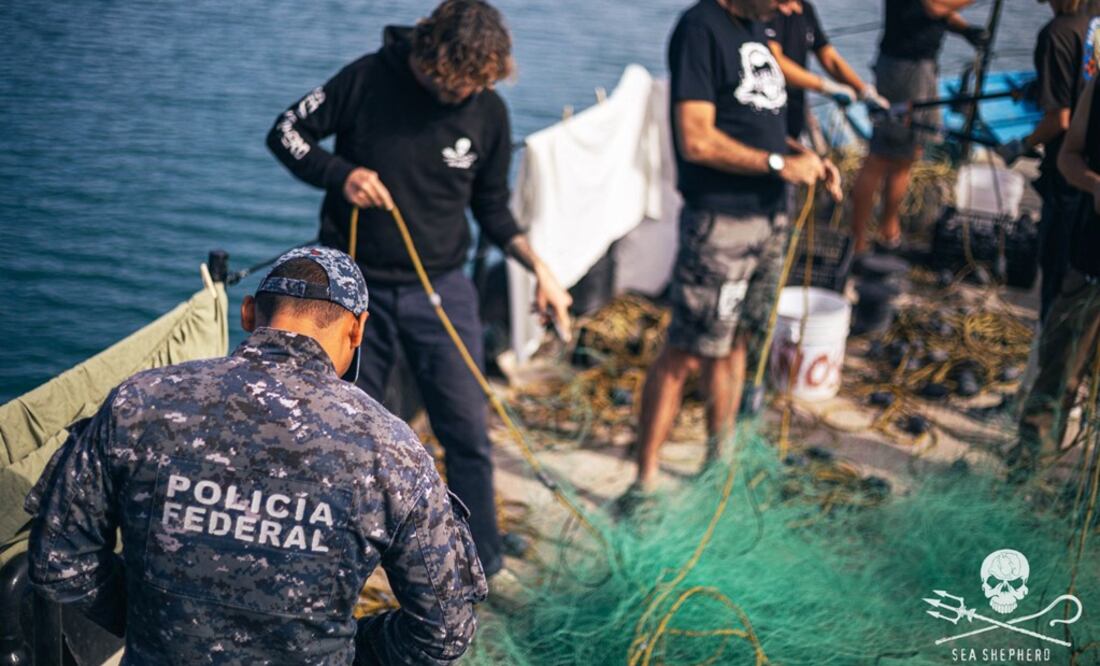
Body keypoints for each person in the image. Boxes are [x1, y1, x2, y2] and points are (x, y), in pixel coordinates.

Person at [25, 247, 487, 664]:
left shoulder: (140, 403)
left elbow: (58, 561)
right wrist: (346, 648)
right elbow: (445, 633)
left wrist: (151, 619)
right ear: (358, 328)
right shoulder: (392, 450)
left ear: (248, 312)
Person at [266, 0, 572, 592]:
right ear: (429, 59)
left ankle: (482, 562)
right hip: (355, 292)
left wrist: (541, 270)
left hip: (443, 290)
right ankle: (333, 566)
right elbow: (286, 132)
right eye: (455, 84)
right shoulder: (366, 78)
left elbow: (492, 208)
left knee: (467, 432)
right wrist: (341, 174)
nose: (464, 95)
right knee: (343, 435)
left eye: (476, 86)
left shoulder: (488, 109)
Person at [618, 0, 841, 509]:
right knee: (686, 350)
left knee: (738, 341)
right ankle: (644, 482)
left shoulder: (758, 27)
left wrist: (806, 157)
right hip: (721, 223)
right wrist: (778, 164)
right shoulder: (701, 29)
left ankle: (717, 464)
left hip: (770, 218)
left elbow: (757, 123)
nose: (790, 6)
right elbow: (696, 139)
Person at [1008, 76, 1100, 482]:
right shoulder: (1098, 87)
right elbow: (1069, 157)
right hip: (1090, 265)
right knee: (1057, 376)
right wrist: (1094, 184)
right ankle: (1028, 475)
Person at [849, 0, 989, 255]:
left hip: (918, 66)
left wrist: (965, 29)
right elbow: (934, 6)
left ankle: (888, 234)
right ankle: (858, 241)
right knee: (880, 156)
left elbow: (937, 10)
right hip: (904, 68)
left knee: (907, 155)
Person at [997, 0, 1096, 323]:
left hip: (1068, 180)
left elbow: (1059, 119)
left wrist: (1022, 145)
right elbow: (1081, 85)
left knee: (1057, 276)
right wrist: (1038, 88)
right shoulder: (1092, 23)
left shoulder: (1056, 34)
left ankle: (1050, 336)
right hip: (1090, 181)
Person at [765, 0, 889, 142]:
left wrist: (863, 91)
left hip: (795, 106)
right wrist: (825, 86)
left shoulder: (806, 9)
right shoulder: (771, 11)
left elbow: (829, 57)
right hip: (770, 107)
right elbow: (774, 62)